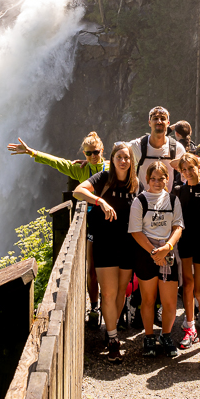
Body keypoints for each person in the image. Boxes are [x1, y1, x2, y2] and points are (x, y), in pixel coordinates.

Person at [8, 132, 107, 325]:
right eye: (89, 153)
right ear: (84, 154)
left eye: (96, 152)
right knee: (92, 269)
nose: (93, 156)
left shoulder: (111, 166)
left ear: (102, 150)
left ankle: (114, 306)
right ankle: (95, 307)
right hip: (92, 224)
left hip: (112, 222)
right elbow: (57, 162)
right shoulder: (80, 170)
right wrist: (32, 152)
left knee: (112, 268)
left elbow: (128, 159)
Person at [73, 142, 139, 362]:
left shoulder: (134, 184)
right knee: (109, 293)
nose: (123, 161)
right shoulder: (102, 179)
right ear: (112, 159)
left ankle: (111, 329)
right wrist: (99, 201)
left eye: (127, 157)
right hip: (105, 243)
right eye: (119, 157)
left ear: (131, 161)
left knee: (121, 292)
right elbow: (77, 191)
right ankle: (113, 339)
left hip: (127, 245)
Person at [128, 161, 185, 357]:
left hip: (168, 253)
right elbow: (135, 232)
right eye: (153, 178)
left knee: (169, 303)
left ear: (167, 179)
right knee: (148, 299)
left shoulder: (173, 200)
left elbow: (178, 227)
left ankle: (166, 335)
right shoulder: (140, 201)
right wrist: (155, 252)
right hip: (146, 254)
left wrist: (167, 248)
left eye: (162, 178)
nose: (157, 182)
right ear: (147, 179)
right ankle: (149, 336)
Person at [173, 152, 200, 348]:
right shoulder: (178, 192)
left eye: (191, 168)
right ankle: (190, 328)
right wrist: (184, 161)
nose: (188, 172)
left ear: (199, 166)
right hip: (185, 243)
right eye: (184, 170)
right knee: (187, 286)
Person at [130, 106, 186, 186]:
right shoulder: (136, 146)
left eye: (163, 119)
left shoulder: (177, 148)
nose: (159, 121)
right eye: (155, 118)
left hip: (168, 197)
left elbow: (185, 177)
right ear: (149, 122)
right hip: (142, 197)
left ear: (168, 123)